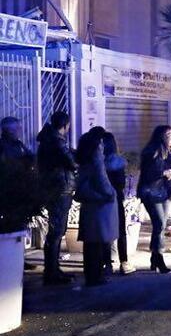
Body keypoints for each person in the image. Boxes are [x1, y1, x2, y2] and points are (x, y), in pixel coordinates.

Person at [37, 111, 77, 285]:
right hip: (60, 188)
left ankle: (53, 269)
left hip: (54, 187)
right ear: (66, 125)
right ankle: (51, 273)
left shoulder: (48, 140)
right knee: (57, 231)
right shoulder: (57, 141)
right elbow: (71, 163)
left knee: (57, 231)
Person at [74, 127, 117, 287]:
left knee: (90, 241)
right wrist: (109, 193)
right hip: (98, 199)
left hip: (88, 198)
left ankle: (91, 274)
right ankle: (96, 275)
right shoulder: (96, 151)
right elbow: (101, 175)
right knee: (98, 240)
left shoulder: (83, 151)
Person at [138, 125, 171, 274]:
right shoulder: (152, 151)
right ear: (161, 136)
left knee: (160, 226)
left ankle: (155, 258)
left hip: (166, 192)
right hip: (152, 192)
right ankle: (159, 257)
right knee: (159, 223)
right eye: (169, 135)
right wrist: (163, 172)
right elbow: (147, 172)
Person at [1, 116, 38, 271]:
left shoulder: (18, 144)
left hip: (19, 191)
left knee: (19, 227)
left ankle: (19, 258)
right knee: (11, 228)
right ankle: (11, 259)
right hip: (9, 193)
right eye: (18, 128)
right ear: (9, 130)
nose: (20, 131)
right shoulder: (4, 146)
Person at [102, 132, 136, 275]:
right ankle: (124, 262)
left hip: (103, 200)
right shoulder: (118, 162)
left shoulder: (99, 161)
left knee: (105, 231)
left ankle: (107, 263)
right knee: (120, 230)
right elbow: (121, 183)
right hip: (116, 198)